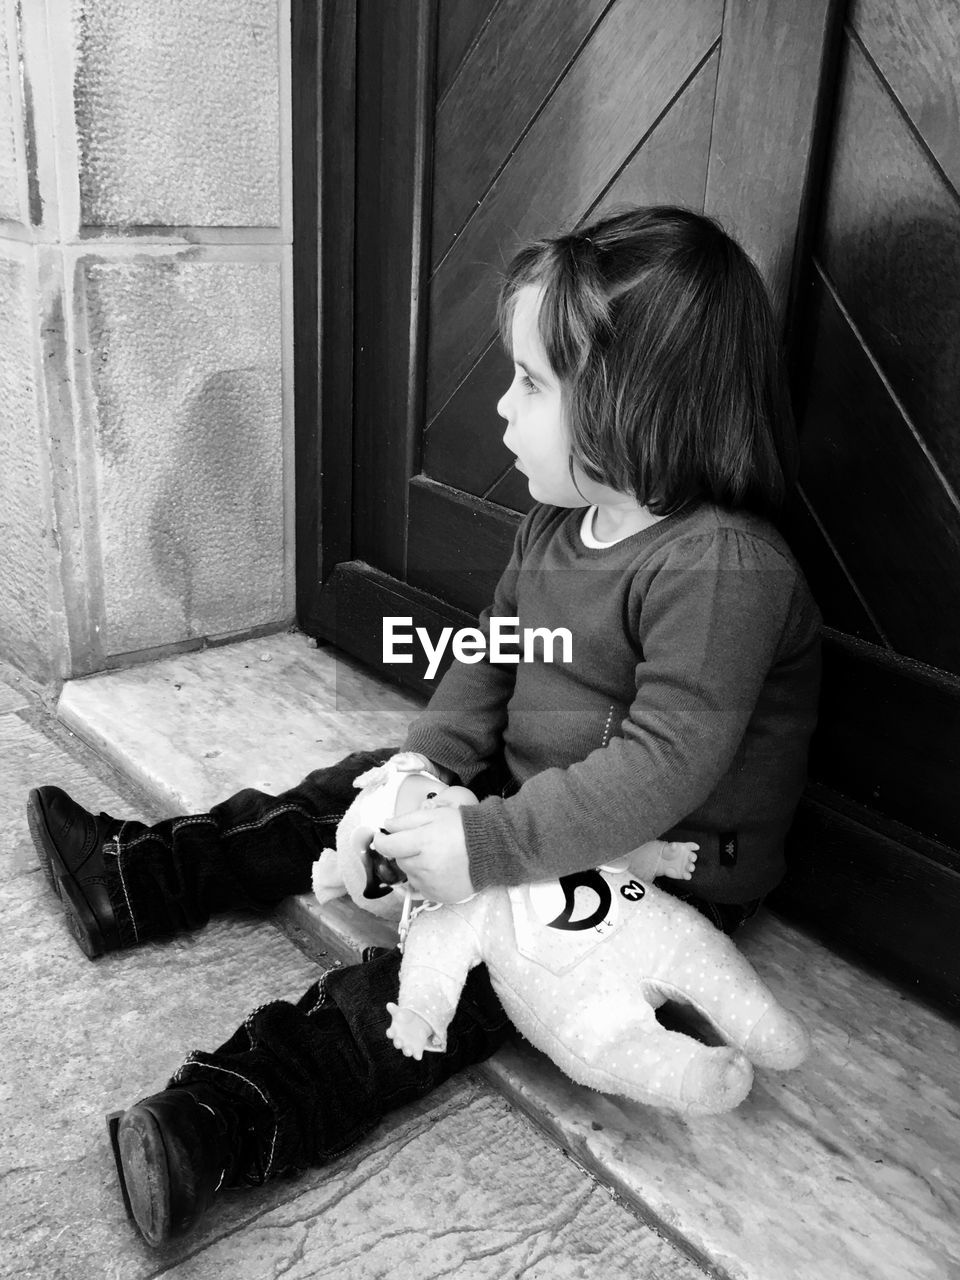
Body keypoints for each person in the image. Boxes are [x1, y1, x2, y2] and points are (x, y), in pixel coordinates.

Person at [27, 205, 821, 1247]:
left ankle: (216, 1125)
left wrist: (485, 849)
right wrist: (420, 766)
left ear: (639, 407)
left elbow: (666, 762)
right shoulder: (554, 524)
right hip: (529, 799)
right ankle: (139, 875)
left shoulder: (722, 567)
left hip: (644, 869)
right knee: (336, 795)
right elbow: (495, 655)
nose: (502, 406)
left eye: (533, 382)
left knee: (426, 988)